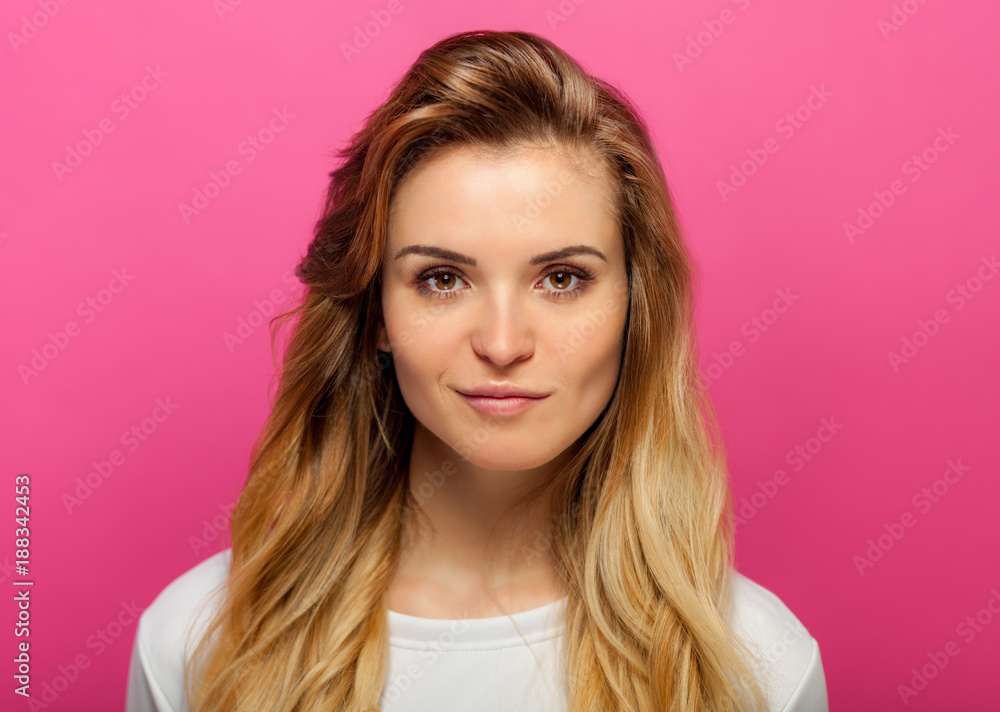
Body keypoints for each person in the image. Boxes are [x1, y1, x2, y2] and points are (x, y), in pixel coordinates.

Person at [125, 29, 828, 712]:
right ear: (375, 314)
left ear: (634, 309)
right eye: (441, 279)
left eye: (560, 278)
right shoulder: (195, 644)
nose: (501, 342)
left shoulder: (758, 668)